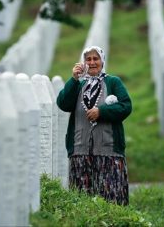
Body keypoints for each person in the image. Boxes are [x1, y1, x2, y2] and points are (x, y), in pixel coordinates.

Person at [56, 46, 132, 205]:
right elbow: (63, 103)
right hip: (79, 151)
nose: (92, 62)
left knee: (112, 198)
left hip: (109, 153)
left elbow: (126, 106)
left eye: (95, 59)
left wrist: (102, 111)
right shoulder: (78, 84)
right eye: (88, 59)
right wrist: (73, 80)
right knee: (82, 201)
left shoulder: (113, 82)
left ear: (102, 61)